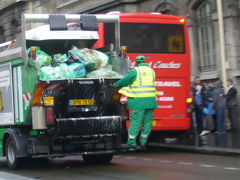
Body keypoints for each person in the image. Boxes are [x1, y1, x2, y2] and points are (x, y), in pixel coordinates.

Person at [114, 55, 158, 150]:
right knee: (147, 122)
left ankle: (132, 142)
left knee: (136, 122)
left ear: (136, 62)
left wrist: (116, 84)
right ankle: (143, 142)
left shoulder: (135, 71)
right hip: (150, 101)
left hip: (138, 101)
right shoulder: (152, 71)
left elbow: (125, 81)